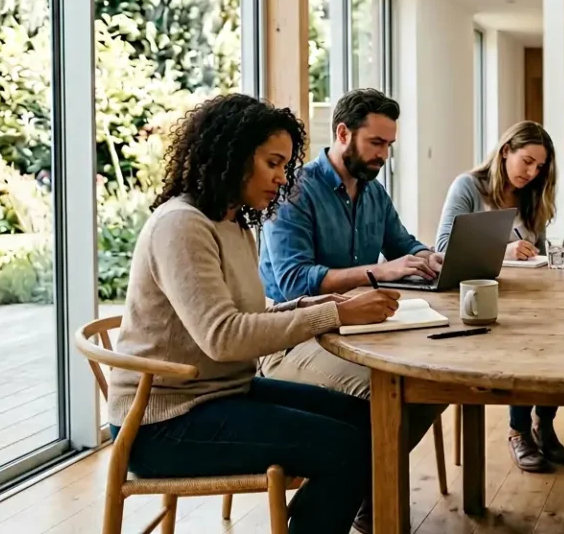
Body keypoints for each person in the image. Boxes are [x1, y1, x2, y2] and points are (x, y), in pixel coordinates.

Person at [108, 94, 402, 534]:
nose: (282, 177)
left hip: (222, 392)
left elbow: (250, 313)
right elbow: (224, 337)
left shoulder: (233, 222)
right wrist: (335, 316)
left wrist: (330, 306)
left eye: (285, 164)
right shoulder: (182, 225)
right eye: (273, 163)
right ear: (232, 156)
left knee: (370, 420)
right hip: (161, 423)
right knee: (345, 447)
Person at [256, 89, 445, 437]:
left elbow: (401, 244)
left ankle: (371, 470)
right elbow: (294, 282)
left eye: (389, 145)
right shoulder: (294, 190)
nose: (384, 155)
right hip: (293, 340)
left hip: (361, 328)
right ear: (343, 133)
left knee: (437, 382)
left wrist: (427, 257)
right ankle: (369, 471)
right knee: (402, 391)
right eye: (376, 143)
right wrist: (377, 271)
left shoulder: (374, 191)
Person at [434, 121, 564, 473]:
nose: (532, 173)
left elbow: (536, 254)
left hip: (525, 296)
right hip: (476, 298)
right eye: (527, 161)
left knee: (556, 336)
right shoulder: (468, 187)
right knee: (528, 342)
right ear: (506, 151)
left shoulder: (532, 195)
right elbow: (442, 248)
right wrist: (503, 251)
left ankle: (543, 421)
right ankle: (518, 430)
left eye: (540, 167)